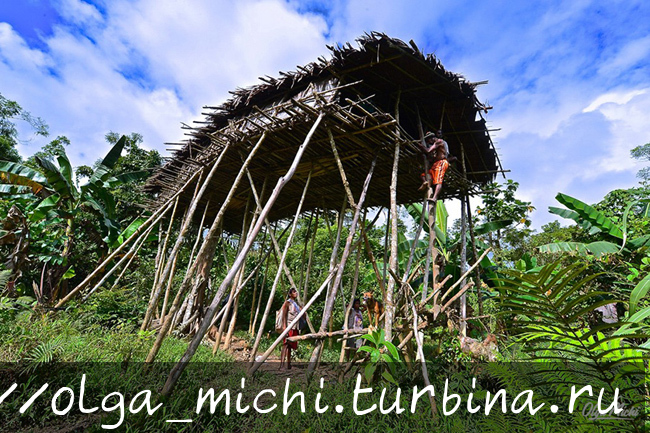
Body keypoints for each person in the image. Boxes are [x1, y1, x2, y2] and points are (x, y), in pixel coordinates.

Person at [418, 131, 449, 202]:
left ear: (431, 138)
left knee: (438, 181)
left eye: (428, 140)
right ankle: (425, 182)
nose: (429, 142)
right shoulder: (437, 143)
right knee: (423, 175)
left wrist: (421, 146)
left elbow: (428, 151)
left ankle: (434, 198)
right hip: (436, 164)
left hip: (441, 162)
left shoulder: (439, 141)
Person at [280, 288, 301, 369]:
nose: (296, 293)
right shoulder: (287, 303)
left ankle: (288, 364)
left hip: (295, 327)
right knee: (285, 345)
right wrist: (285, 328)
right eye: (294, 292)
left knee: (290, 346)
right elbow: (284, 316)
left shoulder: (296, 304)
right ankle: (281, 365)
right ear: (290, 294)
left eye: (296, 291)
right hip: (289, 327)